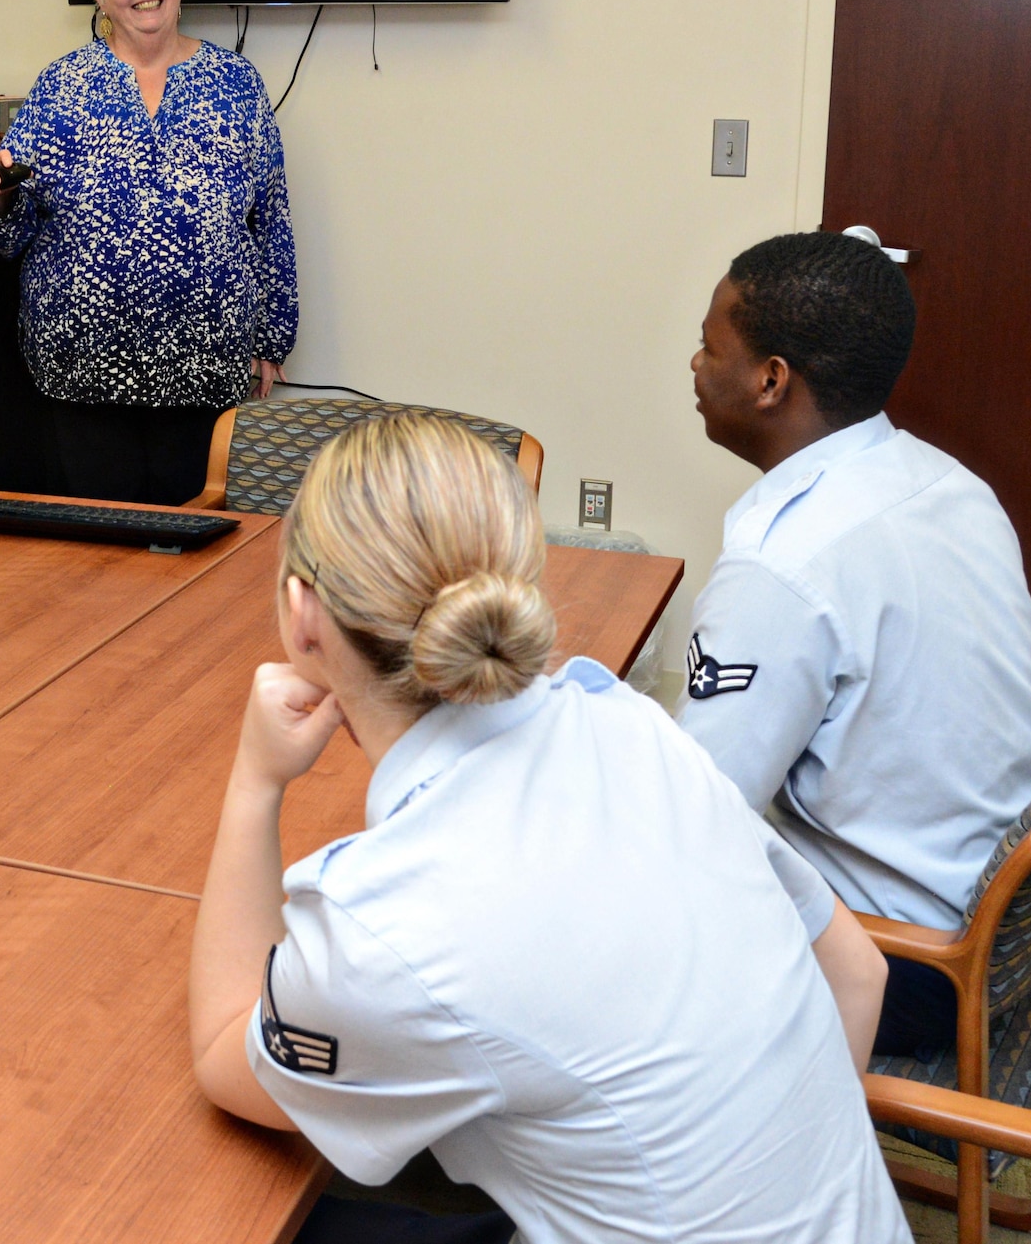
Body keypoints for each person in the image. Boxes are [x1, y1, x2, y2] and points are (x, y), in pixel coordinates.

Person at [189, 412, 906, 1244]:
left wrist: (254, 781)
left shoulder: (385, 928)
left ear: (301, 613)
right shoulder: (625, 721)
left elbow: (219, 1049)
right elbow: (858, 971)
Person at [680, 228, 1031, 1057]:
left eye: (711, 348)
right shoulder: (946, 482)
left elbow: (693, 812)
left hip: (909, 963)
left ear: (772, 380)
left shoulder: (785, 566)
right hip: (1000, 910)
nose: (695, 366)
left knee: (589, 914)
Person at [0, 0, 297, 505]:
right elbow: (6, 236)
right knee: (95, 556)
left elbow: (271, 216)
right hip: (81, 359)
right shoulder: (61, 84)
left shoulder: (236, 80)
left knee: (196, 550)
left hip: (206, 356)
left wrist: (272, 337)